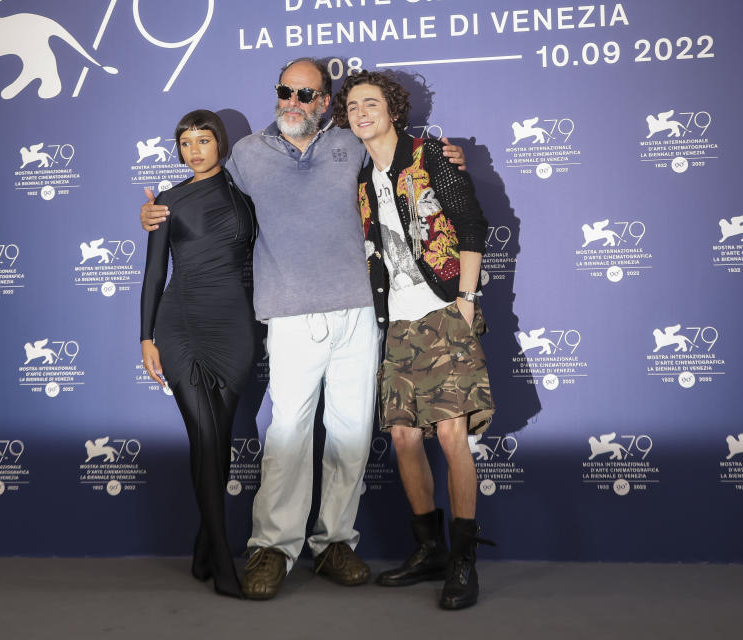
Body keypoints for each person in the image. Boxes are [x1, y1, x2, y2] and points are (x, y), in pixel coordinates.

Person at [140, 59, 466, 600]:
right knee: (288, 435)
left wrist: (445, 158)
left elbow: (401, 158)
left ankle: (335, 541)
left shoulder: (350, 142)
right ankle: (273, 546)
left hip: (357, 312)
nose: (293, 102)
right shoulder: (247, 154)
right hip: (288, 315)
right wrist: (158, 214)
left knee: (350, 434)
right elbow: (204, 193)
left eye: (306, 94)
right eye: (284, 92)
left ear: (324, 101)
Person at [332, 70, 495, 610]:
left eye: (370, 103)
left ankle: (464, 559)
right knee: (404, 439)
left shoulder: (431, 157)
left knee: (451, 436)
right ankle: (429, 551)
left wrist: (465, 300)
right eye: (352, 105)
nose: (361, 113)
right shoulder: (360, 178)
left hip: (445, 311)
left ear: (393, 109)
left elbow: (472, 226)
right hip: (398, 324)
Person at [139, 109, 256, 599]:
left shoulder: (248, 197)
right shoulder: (165, 202)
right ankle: (223, 558)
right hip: (181, 325)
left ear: (221, 144)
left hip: (236, 329)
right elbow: (153, 274)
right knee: (205, 432)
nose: (194, 150)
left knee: (218, 438)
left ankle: (203, 546)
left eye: (203, 140)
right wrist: (146, 336)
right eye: (185, 142)